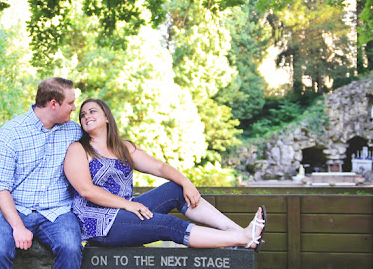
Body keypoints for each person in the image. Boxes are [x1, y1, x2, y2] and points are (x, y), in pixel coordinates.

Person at [63, 98, 266, 250]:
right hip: (100, 225)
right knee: (168, 225)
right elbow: (86, 190)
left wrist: (186, 182)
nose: (86, 116)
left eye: (92, 111)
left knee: (175, 189)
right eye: (82, 114)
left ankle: (238, 233)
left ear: (106, 117)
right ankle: (243, 238)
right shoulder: (78, 149)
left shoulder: (123, 148)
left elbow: (160, 167)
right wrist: (128, 204)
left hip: (127, 213)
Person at [0, 77, 83, 269]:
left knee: (71, 247)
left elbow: (106, 144)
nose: (75, 107)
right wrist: (18, 226)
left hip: (57, 210)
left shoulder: (73, 131)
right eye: (71, 103)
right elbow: (0, 187)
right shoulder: (10, 133)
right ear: (53, 103)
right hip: (17, 209)